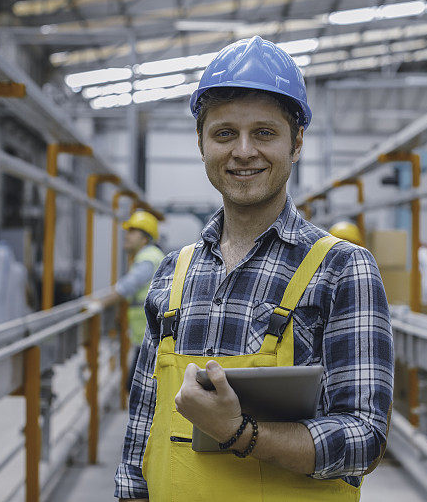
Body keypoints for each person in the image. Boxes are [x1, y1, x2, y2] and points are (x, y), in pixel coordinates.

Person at [115, 35, 393, 501]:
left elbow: (364, 439)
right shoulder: (171, 273)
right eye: (224, 133)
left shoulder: (343, 269)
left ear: (296, 142)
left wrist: (240, 432)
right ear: (202, 143)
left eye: (264, 132)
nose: (243, 151)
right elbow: (142, 427)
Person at [114, 210, 165, 391]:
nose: (126, 236)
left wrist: (95, 303)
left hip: (151, 338)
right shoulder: (148, 256)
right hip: (147, 337)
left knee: (137, 388)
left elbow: (126, 288)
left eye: (132, 231)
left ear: (144, 238)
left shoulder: (148, 258)